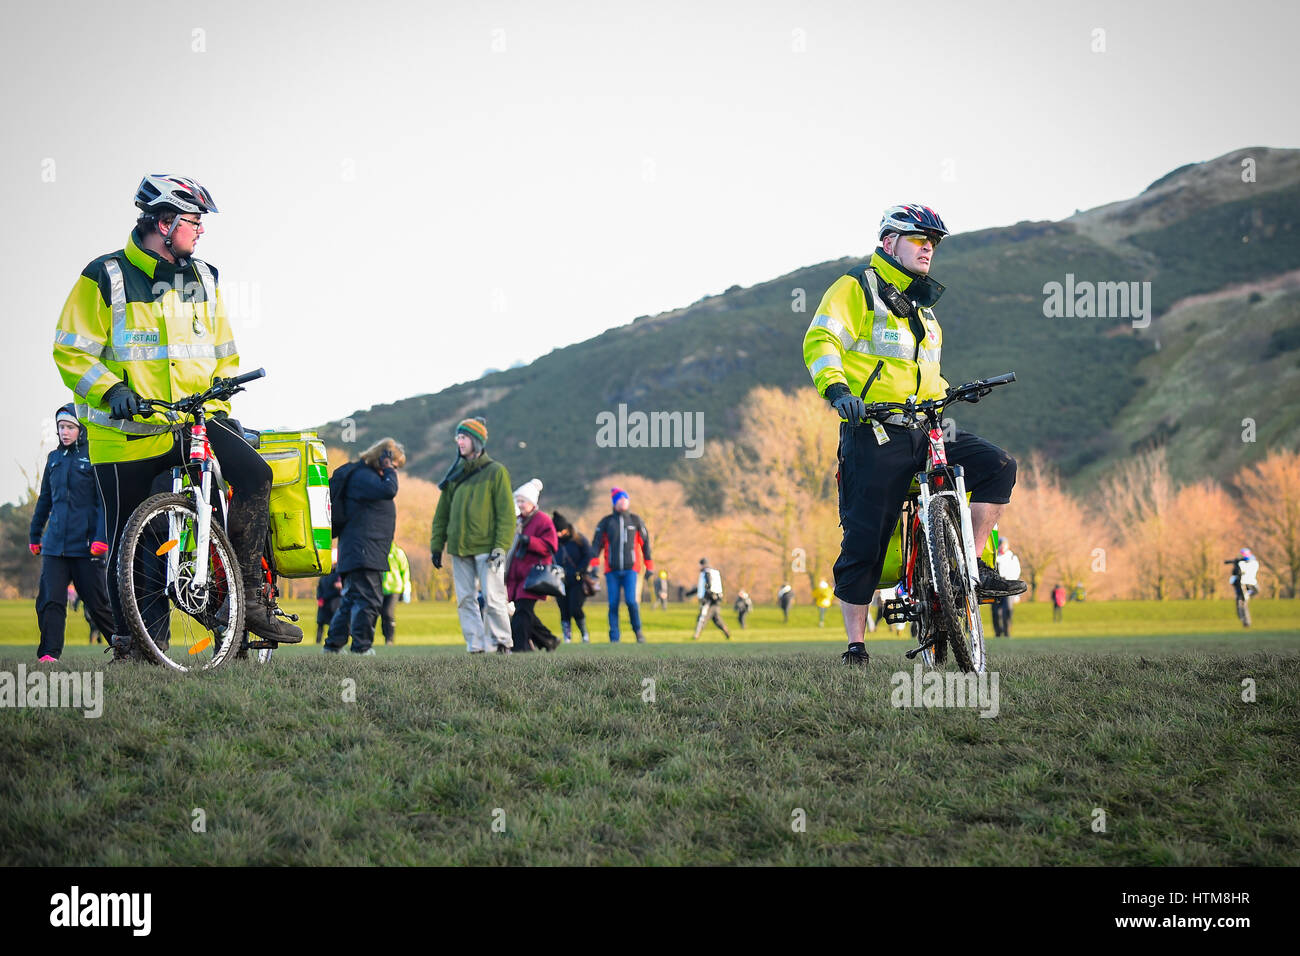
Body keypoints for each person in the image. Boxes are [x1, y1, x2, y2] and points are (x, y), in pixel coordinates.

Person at [52, 173, 302, 658]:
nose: (201, 230)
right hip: (123, 433)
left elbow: (224, 350)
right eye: (194, 220)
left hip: (193, 421)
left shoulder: (206, 276)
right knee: (131, 534)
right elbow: (70, 351)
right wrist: (112, 389)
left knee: (255, 474)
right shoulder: (105, 276)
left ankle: (248, 597)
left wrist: (220, 404)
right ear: (164, 223)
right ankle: (137, 643)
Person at [803, 203, 1026, 666]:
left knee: (998, 466)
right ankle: (856, 646)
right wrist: (838, 389)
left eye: (934, 243)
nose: (928, 248)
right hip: (874, 430)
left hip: (928, 426)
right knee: (865, 540)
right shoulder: (856, 287)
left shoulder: (924, 311)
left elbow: (923, 374)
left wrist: (951, 395)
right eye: (918, 239)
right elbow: (821, 340)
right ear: (888, 243)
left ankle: (969, 564)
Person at [29, 405, 116, 661]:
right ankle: (49, 654)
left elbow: (103, 502)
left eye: (70, 427)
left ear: (81, 429)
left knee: (98, 604)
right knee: (50, 601)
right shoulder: (53, 459)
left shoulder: (94, 456)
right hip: (54, 545)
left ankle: (124, 649)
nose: (64, 432)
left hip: (87, 546)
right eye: (61, 427)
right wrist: (36, 535)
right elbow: (45, 500)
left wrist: (101, 537)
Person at [430, 418, 514, 654]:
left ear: (476, 441)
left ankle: (500, 643)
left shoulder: (496, 472)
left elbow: (506, 515)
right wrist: (437, 546)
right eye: (458, 437)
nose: (459, 441)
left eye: (463, 437)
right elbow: (441, 515)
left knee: (493, 597)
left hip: (488, 548)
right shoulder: (454, 475)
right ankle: (475, 645)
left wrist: (501, 547)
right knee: (465, 599)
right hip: (459, 548)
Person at [325, 438, 404, 654]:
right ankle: (361, 647)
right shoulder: (364, 477)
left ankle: (333, 647)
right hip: (364, 551)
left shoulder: (362, 476)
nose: (394, 469)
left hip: (360, 550)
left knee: (351, 599)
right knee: (369, 600)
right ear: (383, 458)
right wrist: (389, 469)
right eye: (393, 464)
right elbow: (390, 490)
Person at [588, 487, 655, 643]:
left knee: (631, 601)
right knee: (613, 603)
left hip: (631, 569)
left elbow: (646, 545)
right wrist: (594, 565)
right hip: (612, 571)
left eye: (625, 499)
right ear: (614, 502)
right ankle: (614, 637)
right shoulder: (606, 522)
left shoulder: (636, 520)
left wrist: (649, 567)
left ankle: (638, 632)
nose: (623, 501)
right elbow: (596, 545)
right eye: (619, 499)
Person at [505, 479, 560, 652]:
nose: (519, 504)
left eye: (522, 501)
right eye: (518, 501)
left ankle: (520, 648)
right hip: (517, 576)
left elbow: (551, 546)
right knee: (524, 611)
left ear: (532, 502)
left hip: (533, 575)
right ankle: (548, 640)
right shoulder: (518, 521)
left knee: (522, 612)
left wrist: (529, 541)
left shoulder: (543, 520)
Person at [552, 511, 594, 643]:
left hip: (577, 580)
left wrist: (580, 570)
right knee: (563, 610)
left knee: (575, 608)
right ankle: (567, 637)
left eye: (561, 531)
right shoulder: (554, 542)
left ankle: (584, 634)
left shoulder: (579, 540)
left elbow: (588, 555)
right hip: (560, 581)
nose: (559, 534)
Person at [689, 558, 731, 640]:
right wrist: (690, 593)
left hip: (709, 600)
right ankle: (726, 632)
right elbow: (703, 587)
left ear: (702, 564)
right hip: (716, 599)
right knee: (716, 619)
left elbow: (708, 585)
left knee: (702, 617)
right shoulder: (714, 572)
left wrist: (706, 597)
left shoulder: (706, 572)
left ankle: (696, 635)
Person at [379, 542, 412, 645]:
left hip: (394, 588)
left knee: (388, 613)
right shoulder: (378, 551)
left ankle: (389, 639)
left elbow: (405, 570)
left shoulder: (398, 552)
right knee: (380, 614)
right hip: (379, 588)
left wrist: (406, 587)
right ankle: (384, 636)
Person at [993, 539, 1022, 637]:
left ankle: (1007, 631)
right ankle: (998, 631)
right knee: (996, 612)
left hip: (1008, 587)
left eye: (1004, 545)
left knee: (1008, 610)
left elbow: (1016, 573)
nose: (1002, 547)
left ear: (1007, 546)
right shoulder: (995, 557)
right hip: (997, 587)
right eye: (1000, 545)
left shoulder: (1012, 557)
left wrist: (1016, 593)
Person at [315, 563, 343, 644]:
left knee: (334, 622)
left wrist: (340, 586)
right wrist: (319, 598)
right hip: (323, 601)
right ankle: (318, 642)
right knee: (320, 623)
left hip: (334, 600)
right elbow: (319, 587)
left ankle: (332, 641)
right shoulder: (324, 574)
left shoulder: (338, 573)